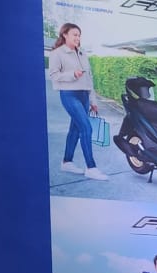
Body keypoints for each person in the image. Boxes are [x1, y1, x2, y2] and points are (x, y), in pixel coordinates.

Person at [48, 23, 108, 181]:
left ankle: (67, 162)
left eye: (79, 35)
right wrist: (72, 74)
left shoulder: (82, 53)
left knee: (75, 130)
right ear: (65, 35)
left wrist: (93, 100)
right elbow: (54, 76)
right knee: (86, 127)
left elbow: (89, 78)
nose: (78, 38)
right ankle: (91, 168)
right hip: (69, 95)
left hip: (84, 96)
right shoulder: (57, 53)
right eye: (74, 34)